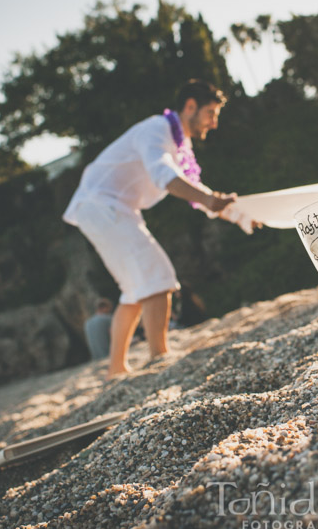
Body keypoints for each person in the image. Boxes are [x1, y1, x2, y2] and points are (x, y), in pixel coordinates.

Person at [63, 80, 257, 378]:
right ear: (190, 106)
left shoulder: (179, 143)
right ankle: (158, 358)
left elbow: (195, 189)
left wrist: (240, 216)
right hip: (101, 204)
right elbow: (164, 175)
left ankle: (116, 369)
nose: (214, 123)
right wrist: (208, 199)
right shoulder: (156, 130)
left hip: (108, 208)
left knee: (133, 290)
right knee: (158, 275)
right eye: (210, 113)